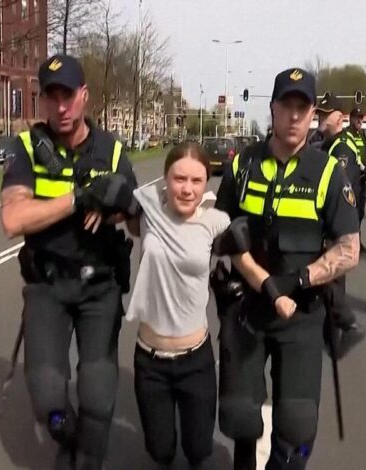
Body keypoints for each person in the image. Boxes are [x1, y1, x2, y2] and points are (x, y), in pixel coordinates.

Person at [213, 67, 360, 469]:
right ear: (273, 109)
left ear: (313, 114)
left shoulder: (329, 172)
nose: (294, 116)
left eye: (303, 107)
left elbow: (350, 249)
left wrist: (299, 280)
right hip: (246, 310)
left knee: (297, 428)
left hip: (302, 313)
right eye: (286, 106)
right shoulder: (243, 165)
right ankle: (246, 459)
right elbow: (218, 232)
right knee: (240, 417)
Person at [0, 53, 138, 469]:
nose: (61, 107)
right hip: (47, 286)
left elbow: (134, 217)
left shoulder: (112, 150)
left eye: (69, 96)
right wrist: (78, 198)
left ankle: (87, 456)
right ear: (42, 99)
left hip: (100, 286)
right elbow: (13, 220)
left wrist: (117, 203)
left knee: (97, 392)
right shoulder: (24, 148)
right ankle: (67, 433)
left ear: (84, 96)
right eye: (51, 96)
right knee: (48, 398)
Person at [125, 143, 229, 470]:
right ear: (165, 180)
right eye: (178, 178)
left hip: (196, 361)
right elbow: (110, 203)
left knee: (198, 451)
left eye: (196, 181)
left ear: (206, 184)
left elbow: (251, 257)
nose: (186, 188)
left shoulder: (215, 221)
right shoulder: (146, 212)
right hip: (150, 360)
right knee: (160, 451)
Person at [316, 95, 366, 355]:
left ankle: (342, 330)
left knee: (331, 276)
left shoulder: (342, 146)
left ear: (339, 117)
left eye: (326, 114)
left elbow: (340, 188)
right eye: (319, 113)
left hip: (336, 222)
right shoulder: (328, 143)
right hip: (332, 221)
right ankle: (332, 334)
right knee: (330, 277)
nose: (320, 118)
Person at [346, 107, 366, 254]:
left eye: (361, 118)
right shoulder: (347, 135)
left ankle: (357, 242)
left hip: (363, 181)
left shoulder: (362, 134)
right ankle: (350, 245)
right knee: (352, 213)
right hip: (352, 180)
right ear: (350, 119)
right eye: (357, 118)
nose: (359, 121)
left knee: (360, 212)